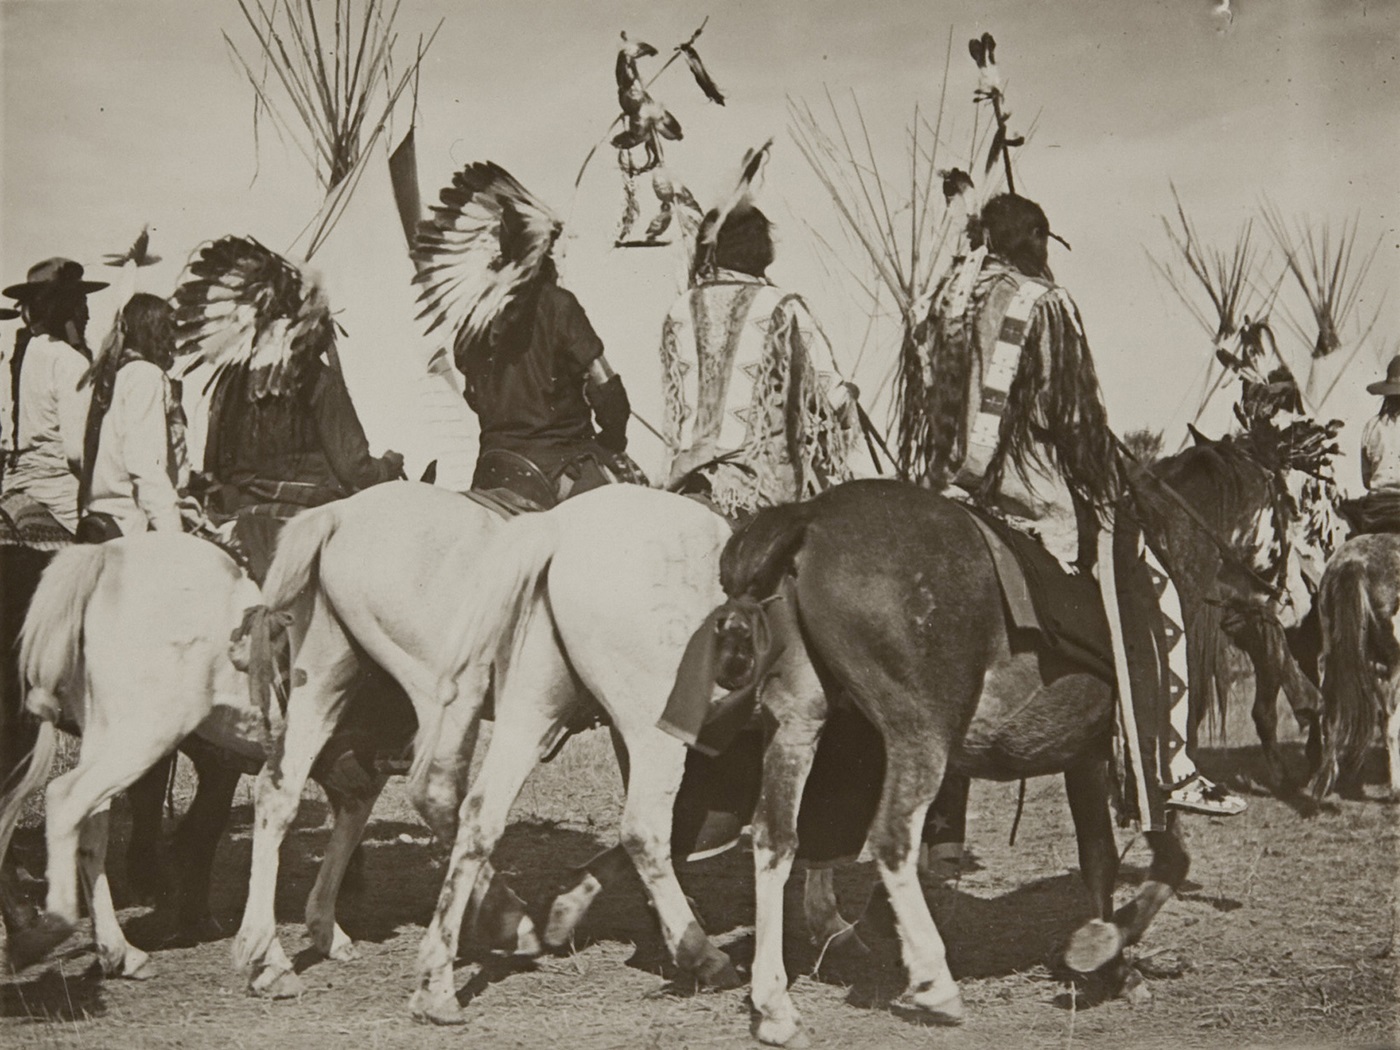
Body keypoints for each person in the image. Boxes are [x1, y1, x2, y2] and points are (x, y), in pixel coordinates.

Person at [900, 193, 1244, 852]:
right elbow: (1070, 412)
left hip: (953, 493)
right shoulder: (1045, 303)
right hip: (1034, 492)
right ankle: (1170, 769)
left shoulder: (948, 307)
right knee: (1155, 589)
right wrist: (1109, 470)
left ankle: (942, 827)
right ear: (1033, 239)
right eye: (1044, 242)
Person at [658, 201, 858, 518]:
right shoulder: (779, 305)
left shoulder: (680, 307)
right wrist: (848, 398)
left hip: (685, 475)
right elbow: (829, 396)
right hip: (759, 482)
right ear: (757, 247)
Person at [458, 254, 637, 508]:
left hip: (493, 470)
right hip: (560, 468)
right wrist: (613, 439)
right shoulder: (558, 302)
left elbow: (473, 396)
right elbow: (607, 389)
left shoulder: (474, 314)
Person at [1, 257, 107, 545]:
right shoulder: (69, 361)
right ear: (67, 307)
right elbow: (76, 451)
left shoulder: (30, 351)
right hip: (57, 487)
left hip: (22, 478)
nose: (87, 314)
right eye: (82, 303)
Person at [75, 292, 189, 541]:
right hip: (132, 528)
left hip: (98, 519)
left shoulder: (107, 377)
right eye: (169, 334)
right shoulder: (145, 376)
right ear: (156, 334)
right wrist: (175, 536)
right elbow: (146, 465)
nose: (174, 345)